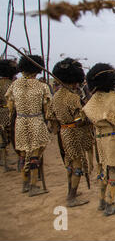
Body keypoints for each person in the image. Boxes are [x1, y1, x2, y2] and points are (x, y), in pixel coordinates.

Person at [82, 63, 115, 216]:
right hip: (112, 138)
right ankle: (110, 204)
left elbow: (87, 114)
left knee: (102, 168)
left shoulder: (92, 101)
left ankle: (101, 202)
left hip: (99, 139)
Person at [48, 58, 94, 207]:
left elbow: (51, 117)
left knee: (69, 163)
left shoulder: (55, 96)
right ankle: (71, 197)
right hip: (74, 133)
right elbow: (79, 119)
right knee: (77, 165)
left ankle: (71, 191)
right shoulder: (73, 97)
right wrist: (88, 117)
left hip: (63, 133)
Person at [6, 55, 51, 196]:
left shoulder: (14, 85)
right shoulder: (42, 86)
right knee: (35, 155)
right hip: (36, 121)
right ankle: (33, 186)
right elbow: (47, 109)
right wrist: (46, 119)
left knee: (25, 153)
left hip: (20, 122)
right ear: (37, 70)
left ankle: (25, 184)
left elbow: (10, 107)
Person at [0, 60, 18, 172]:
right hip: (8, 113)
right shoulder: (11, 85)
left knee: (3, 139)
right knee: (10, 137)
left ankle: (4, 161)